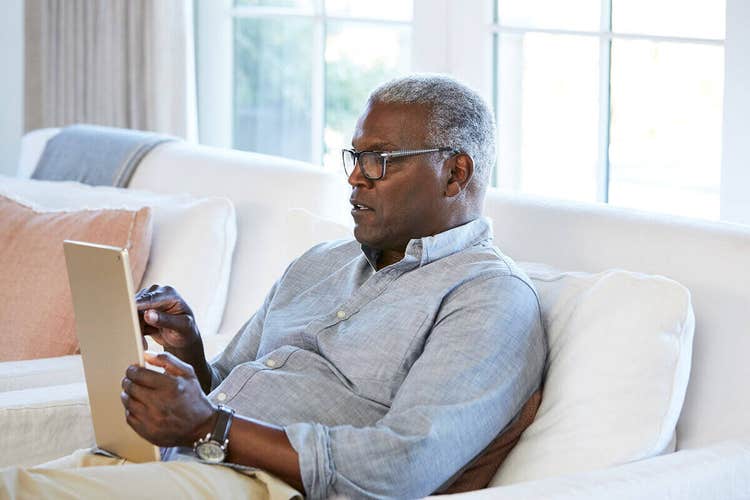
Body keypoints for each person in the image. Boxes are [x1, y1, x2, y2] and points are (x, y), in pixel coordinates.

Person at [0, 74, 546, 499]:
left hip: (257, 485)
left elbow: (402, 465)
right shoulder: (320, 263)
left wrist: (210, 426)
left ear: (455, 173)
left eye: (379, 160)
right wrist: (190, 353)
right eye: (355, 157)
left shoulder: (488, 297)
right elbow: (223, 384)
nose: (355, 176)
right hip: (169, 460)